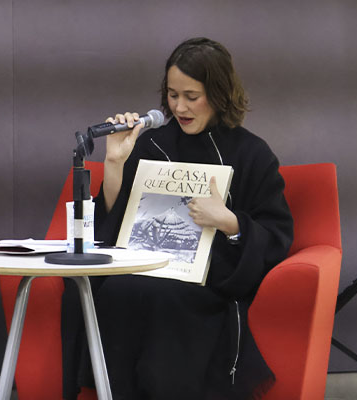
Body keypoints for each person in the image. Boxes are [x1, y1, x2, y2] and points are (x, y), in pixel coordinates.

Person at [61, 38, 294, 399]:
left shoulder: (253, 153)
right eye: (172, 95)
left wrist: (230, 221)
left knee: (163, 297)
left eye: (191, 96)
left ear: (219, 95)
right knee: (117, 290)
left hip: (208, 283)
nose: (179, 107)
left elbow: (276, 235)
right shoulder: (151, 143)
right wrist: (115, 163)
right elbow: (114, 225)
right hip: (141, 270)